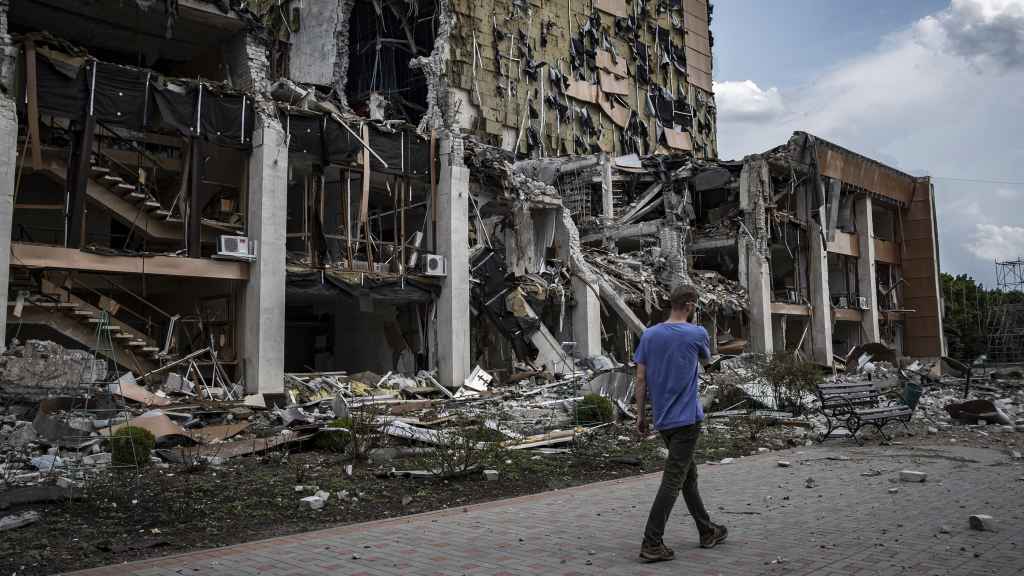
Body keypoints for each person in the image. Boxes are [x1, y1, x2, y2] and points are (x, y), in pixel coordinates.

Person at [634, 284, 727, 563]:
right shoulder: (697, 333)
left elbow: (640, 379)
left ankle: (707, 530)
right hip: (687, 419)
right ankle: (652, 542)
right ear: (689, 305)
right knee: (674, 479)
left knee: (688, 477)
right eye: (695, 305)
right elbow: (706, 360)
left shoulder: (649, 335)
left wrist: (640, 415)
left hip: (663, 420)